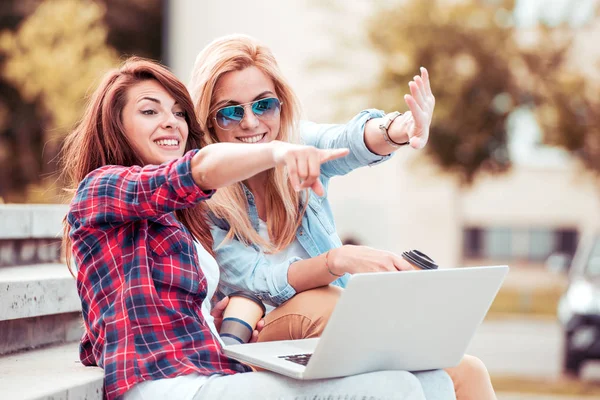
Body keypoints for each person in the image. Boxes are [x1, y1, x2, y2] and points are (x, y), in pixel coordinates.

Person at [62, 56, 454, 400]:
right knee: (396, 389)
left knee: (433, 381)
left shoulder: (177, 219)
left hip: (216, 370)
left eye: (179, 112)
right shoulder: (101, 187)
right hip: (173, 385)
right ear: (115, 125)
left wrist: (398, 129)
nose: (171, 122)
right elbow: (198, 169)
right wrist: (277, 151)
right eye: (150, 112)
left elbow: (344, 139)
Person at [189, 34, 497, 400]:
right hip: (257, 337)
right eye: (231, 111)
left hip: (325, 328)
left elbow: (348, 141)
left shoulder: (297, 144)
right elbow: (259, 281)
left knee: (467, 372)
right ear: (208, 121)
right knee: (324, 301)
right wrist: (339, 260)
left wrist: (401, 130)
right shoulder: (201, 191)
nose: (251, 122)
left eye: (264, 105)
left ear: (281, 104)